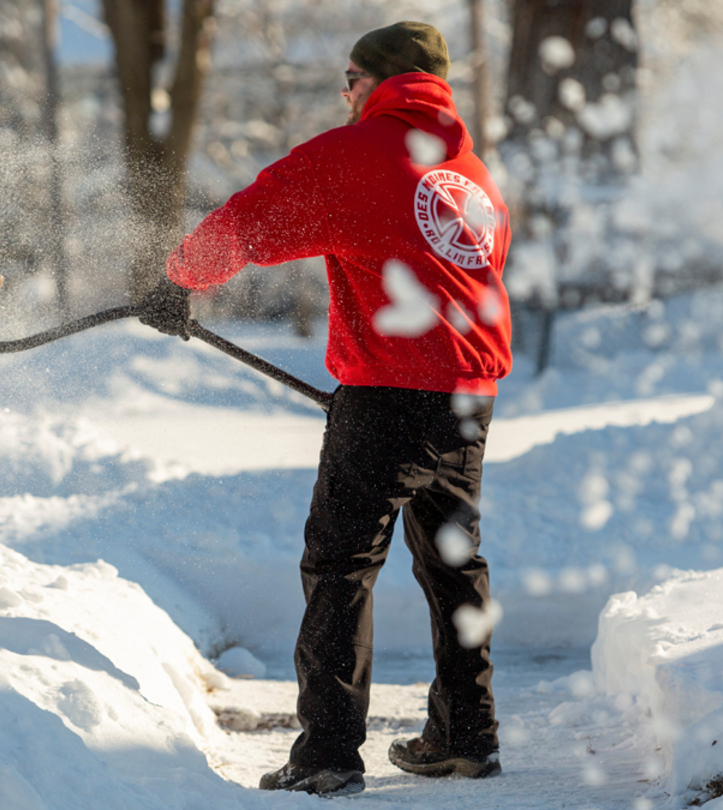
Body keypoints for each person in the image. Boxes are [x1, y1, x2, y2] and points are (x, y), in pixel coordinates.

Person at [141, 20, 512, 798]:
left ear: (382, 82)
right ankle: (466, 735)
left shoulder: (360, 152)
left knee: (340, 569)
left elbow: (249, 221)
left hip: (384, 399)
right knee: (454, 567)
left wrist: (177, 279)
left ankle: (329, 754)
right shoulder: (470, 174)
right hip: (467, 401)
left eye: (350, 77)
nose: (343, 93)